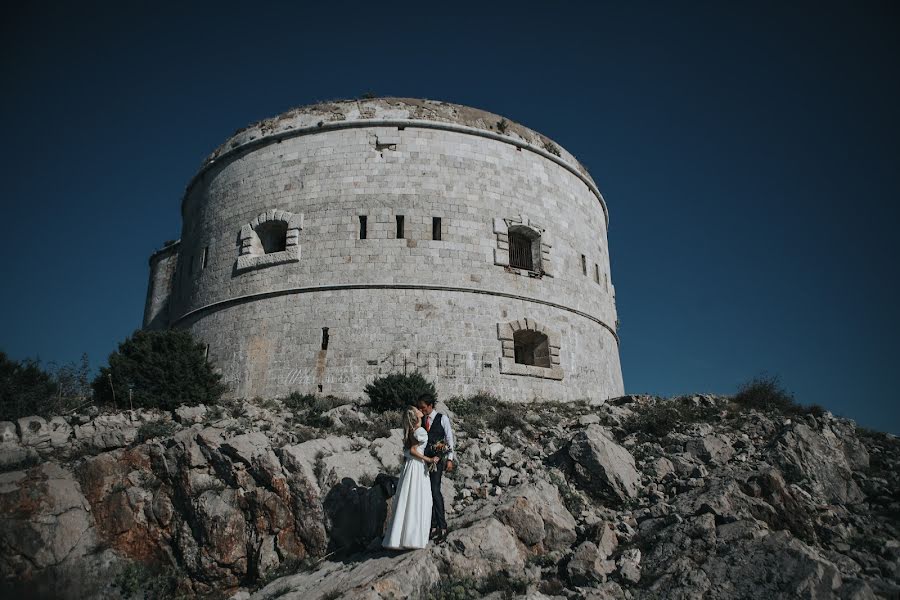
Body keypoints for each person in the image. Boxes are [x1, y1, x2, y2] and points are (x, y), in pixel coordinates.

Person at [382, 406, 439, 550]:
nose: (420, 409)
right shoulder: (419, 431)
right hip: (417, 467)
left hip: (410, 467)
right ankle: (414, 538)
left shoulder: (411, 431)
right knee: (419, 499)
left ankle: (404, 537)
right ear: (416, 415)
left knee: (409, 499)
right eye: (417, 409)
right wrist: (429, 459)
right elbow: (414, 450)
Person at [416, 393, 455, 541]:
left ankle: (442, 526)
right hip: (424, 462)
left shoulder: (442, 418)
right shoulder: (422, 420)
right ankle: (432, 526)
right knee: (427, 493)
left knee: (435, 490)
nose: (422, 409)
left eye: (423, 407)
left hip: (437, 461)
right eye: (420, 407)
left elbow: (449, 438)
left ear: (430, 405)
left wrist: (449, 459)